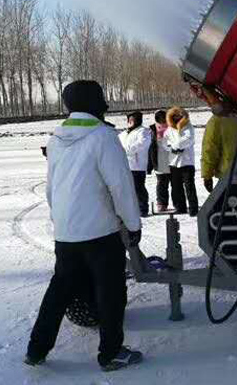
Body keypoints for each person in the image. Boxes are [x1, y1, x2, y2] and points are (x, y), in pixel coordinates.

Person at [25, 80, 143, 372]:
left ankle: (36, 350)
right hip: (100, 232)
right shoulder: (103, 137)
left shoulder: (56, 139)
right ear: (97, 105)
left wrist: (62, 222)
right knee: (110, 291)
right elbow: (121, 186)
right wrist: (132, 223)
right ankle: (111, 353)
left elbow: (51, 188)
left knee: (59, 290)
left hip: (67, 233)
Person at [163, 106, 198, 216]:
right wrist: (172, 148)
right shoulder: (169, 129)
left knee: (189, 187)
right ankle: (180, 207)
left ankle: (193, 208)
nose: (177, 118)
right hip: (173, 162)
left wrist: (177, 146)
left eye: (179, 116)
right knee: (176, 187)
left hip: (186, 162)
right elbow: (165, 143)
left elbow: (189, 139)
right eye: (174, 116)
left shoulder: (189, 127)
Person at [119, 111, 152, 217]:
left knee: (138, 188)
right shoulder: (124, 133)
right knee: (126, 189)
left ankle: (143, 209)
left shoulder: (143, 131)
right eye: (129, 120)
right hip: (125, 165)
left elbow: (142, 144)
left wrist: (127, 150)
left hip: (137, 165)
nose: (130, 122)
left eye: (132, 120)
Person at [147, 110, 172, 212]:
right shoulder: (152, 130)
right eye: (160, 119)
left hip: (172, 158)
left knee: (175, 183)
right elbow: (150, 148)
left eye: (164, 118)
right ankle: (161, 203)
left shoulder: (172, 127)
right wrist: (149, 165)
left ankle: (178, 203)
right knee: (162, 183)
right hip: (159, 159)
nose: (162, 121)